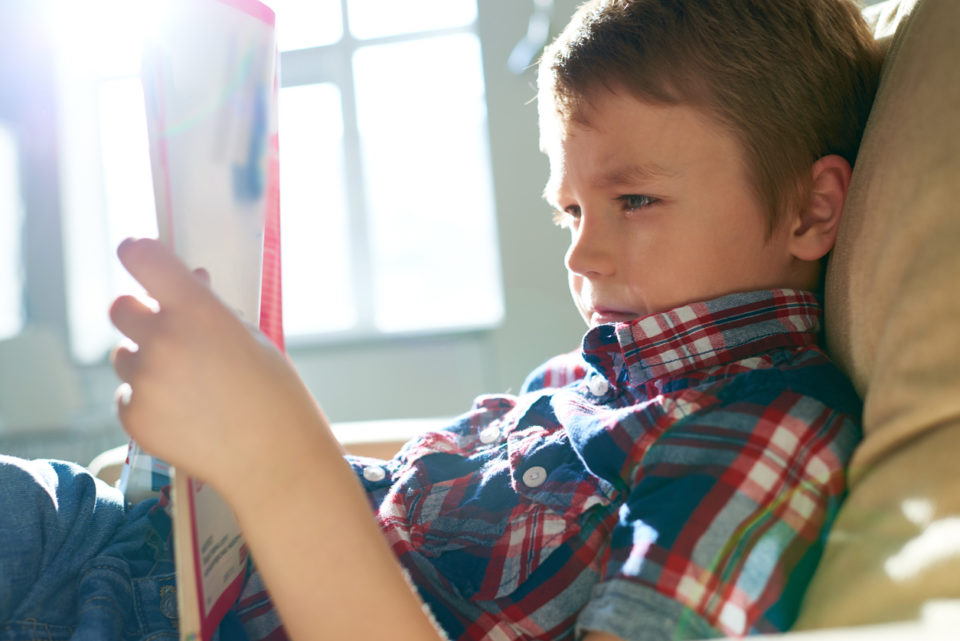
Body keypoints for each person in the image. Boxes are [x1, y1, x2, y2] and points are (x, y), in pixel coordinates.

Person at [0, 0, 882, 639]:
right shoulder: (583, 379)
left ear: (812, 209)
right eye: (570, 212)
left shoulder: (763, 430)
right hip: (118, 532)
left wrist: (277, 461)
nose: (583, 255)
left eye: (637, 198)